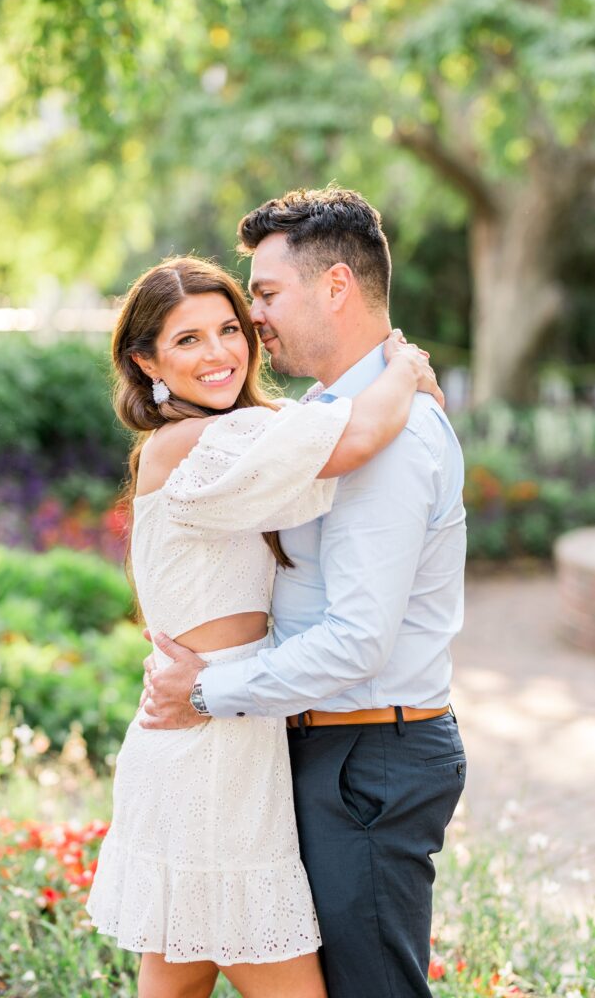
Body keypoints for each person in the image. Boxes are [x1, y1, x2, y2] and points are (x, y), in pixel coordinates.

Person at [85, 251, 443, 998]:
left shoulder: (243, 431)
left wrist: (380, 380)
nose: (218, 353)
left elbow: (319, 422)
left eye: (228, 329)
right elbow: (346, 440)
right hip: (210, 751)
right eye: (187, 340)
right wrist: (403, 370)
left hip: (213, 739)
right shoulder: (188, 445)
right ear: (144, 360)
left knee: (175, 977)